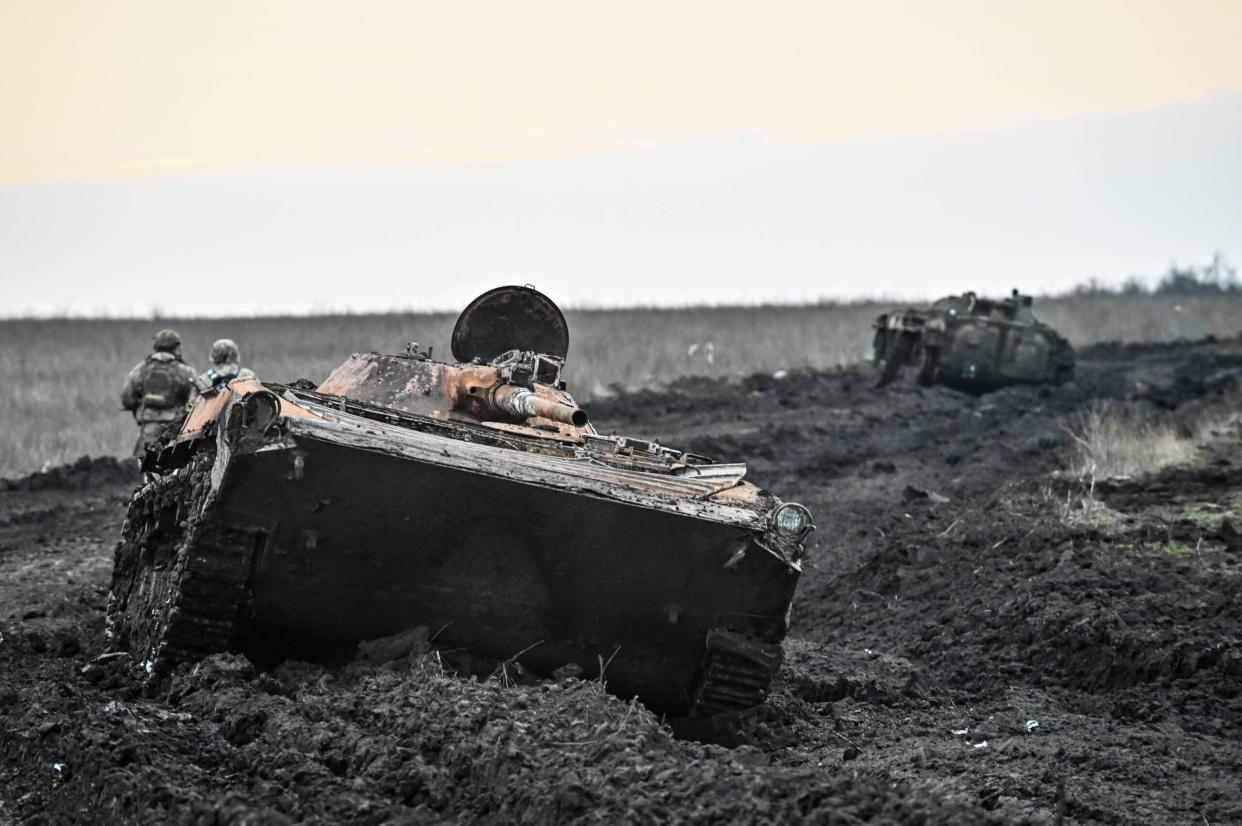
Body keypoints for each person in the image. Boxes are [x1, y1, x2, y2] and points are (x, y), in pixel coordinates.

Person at [120, 329, 198, 459]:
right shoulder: (185, 371)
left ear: (155, 346)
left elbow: (126, 398)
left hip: (148, 426)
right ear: (176, 347)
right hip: (176, 428)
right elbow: (197, 397)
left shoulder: (140, 370)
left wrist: (139, 405)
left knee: (144, 463)